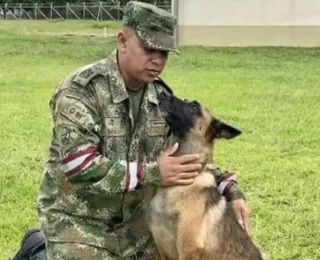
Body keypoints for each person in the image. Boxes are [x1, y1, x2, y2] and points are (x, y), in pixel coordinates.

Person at [33, 1, 251, 259]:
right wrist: (153, 172)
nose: (157, 60)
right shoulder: (82, 91)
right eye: (149, 49)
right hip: (81, 222)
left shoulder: (161, 98)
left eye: (164, 53)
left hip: (137, 226)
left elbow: (187, 157)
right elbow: (80, 166)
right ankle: (36, 249)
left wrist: (230, 190)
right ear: (123, 41)